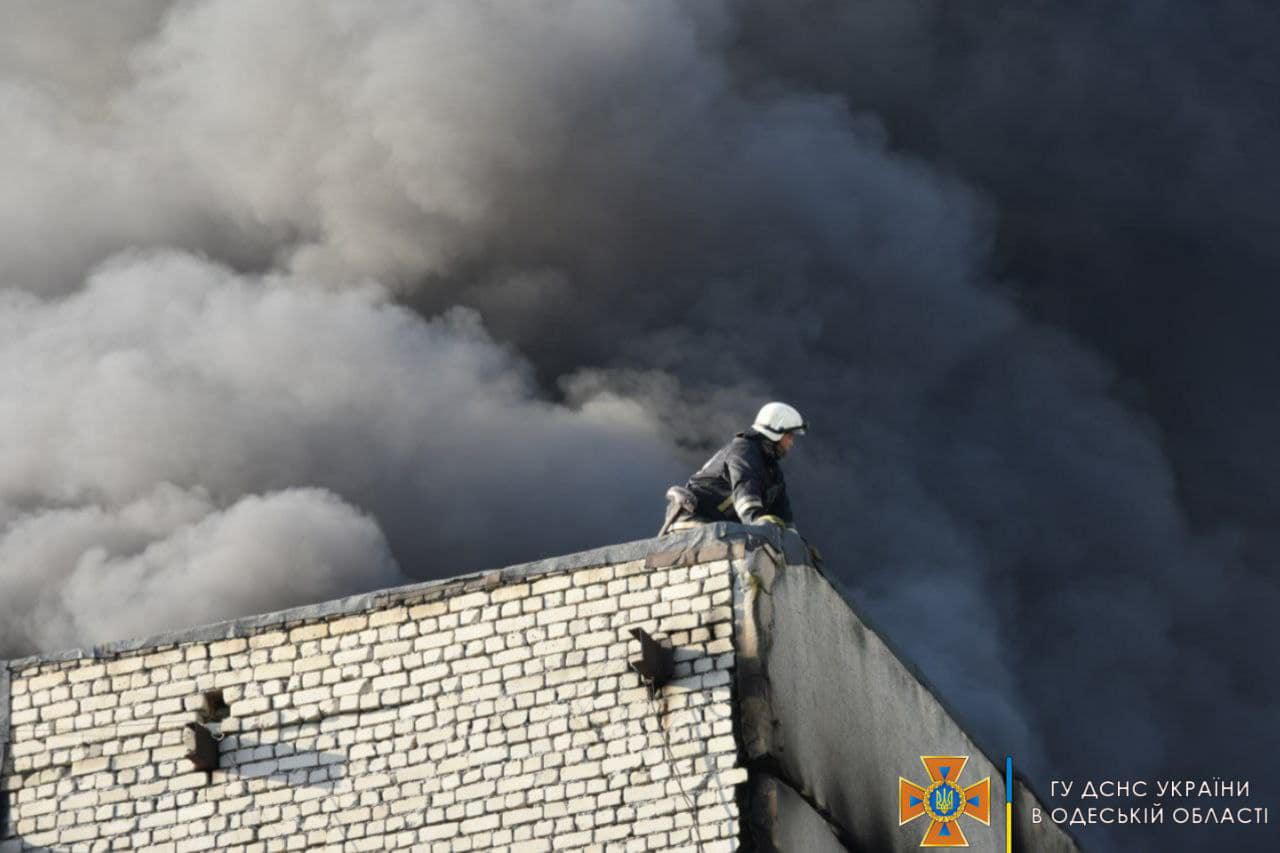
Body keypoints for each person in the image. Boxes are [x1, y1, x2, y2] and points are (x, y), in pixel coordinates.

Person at [659, 402, 805, 534]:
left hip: (720, 528)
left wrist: (796, 544)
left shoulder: (773, 473)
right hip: (693, 520)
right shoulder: (744, 450)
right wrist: (756, 521)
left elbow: (783, 514)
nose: (791, 443)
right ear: (776, 431)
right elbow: (745, 489)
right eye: (790, 436)